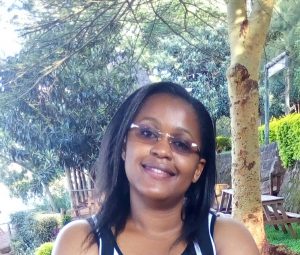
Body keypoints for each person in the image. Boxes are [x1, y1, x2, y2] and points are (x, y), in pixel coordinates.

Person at [52, 82, 259, 255]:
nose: (162, 150)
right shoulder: (80, 243)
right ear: (124, 147)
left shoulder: (228, 241)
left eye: (181, 144)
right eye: (147, 133)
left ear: (198, 169)